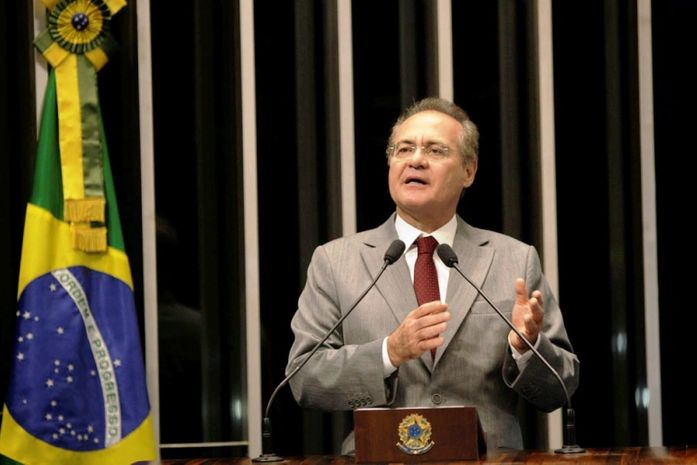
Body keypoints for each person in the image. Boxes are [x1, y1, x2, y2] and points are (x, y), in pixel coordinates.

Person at [285, 97, 579, 453]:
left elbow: (559, 388)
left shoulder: (514, 260)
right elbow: (304, 379)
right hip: (378, 461)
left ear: (469, 171)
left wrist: (525, 349)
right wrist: (388, 353)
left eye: (435, 150)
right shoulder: (335, 261)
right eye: (404, 149)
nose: (416, 159)